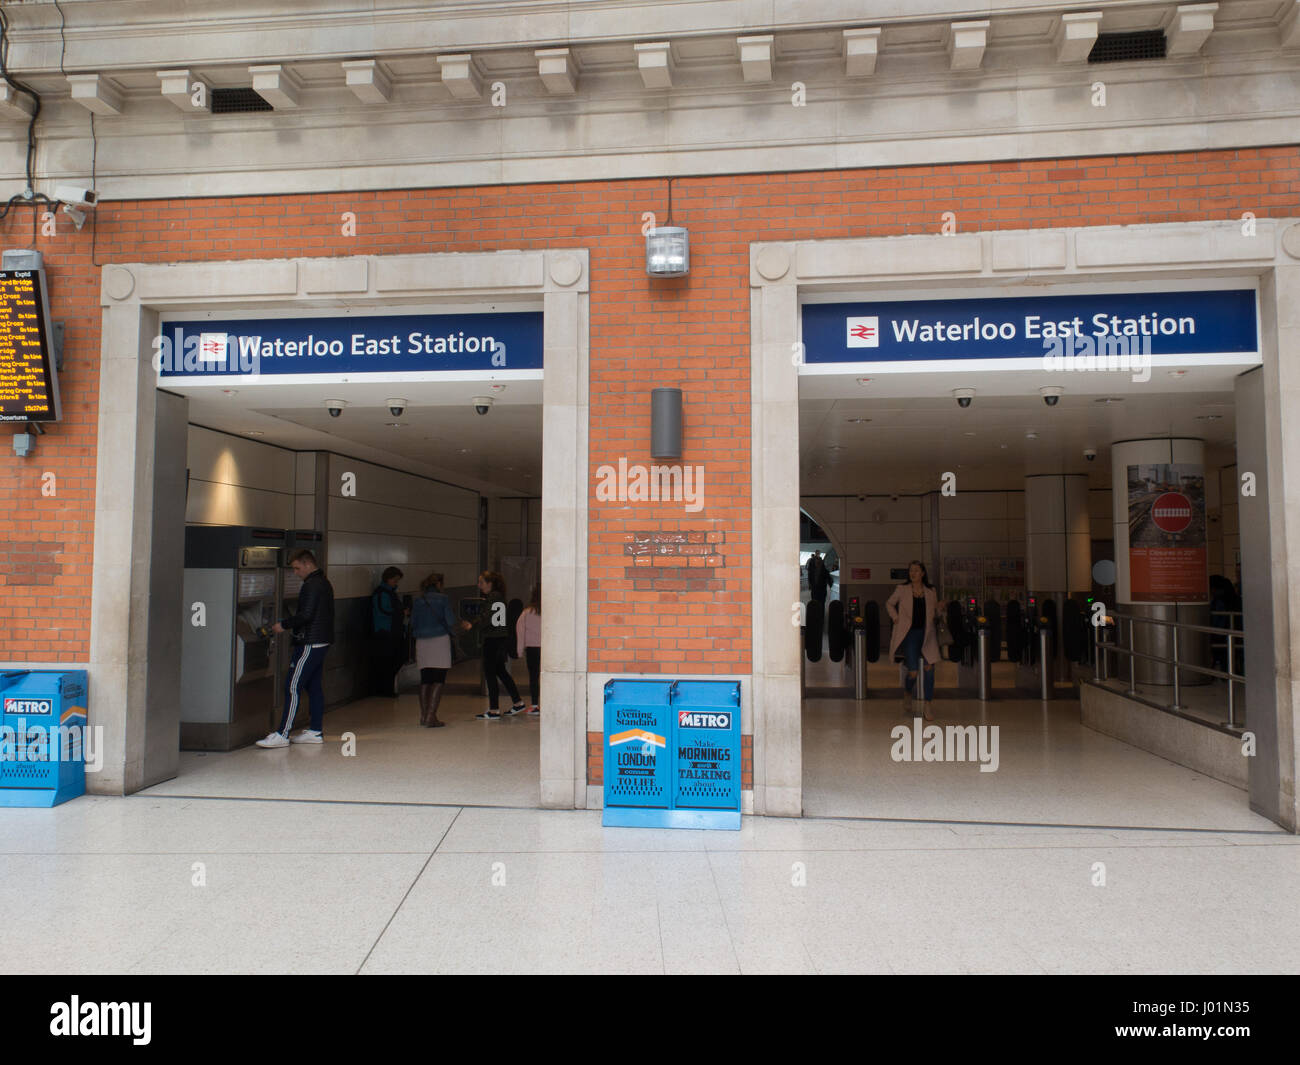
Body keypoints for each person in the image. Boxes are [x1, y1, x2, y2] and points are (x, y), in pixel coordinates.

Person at [257, 548, 335, 747]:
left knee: (292, 686)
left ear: (308, 564)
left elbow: (306, 615)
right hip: (322, 640)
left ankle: (282, 733)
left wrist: (283, 625)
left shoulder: (311, 585)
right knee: (314, 686)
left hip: (310, 642)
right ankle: (315, 731)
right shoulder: (324, 582)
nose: (296, 573)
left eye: (297, 568)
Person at [410, 572, 471, 727]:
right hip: (439, 640)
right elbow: (450, 620)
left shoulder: (418, 600)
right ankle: (431, 716)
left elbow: (412, 622)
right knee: (439, 678)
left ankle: (423, 716)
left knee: (425, 679)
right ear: (439, 584)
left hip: (422, 641)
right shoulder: (443, 599)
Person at [886, 560, 941, 722]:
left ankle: (928, 705)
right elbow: (889, 604)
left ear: (923, 573)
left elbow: (935, 613)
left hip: (927, 634)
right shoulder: (902, 589)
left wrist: (940, 608)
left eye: (916, 571)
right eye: (911, 571)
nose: (913, 573)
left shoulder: (931, 591)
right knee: (913, 672)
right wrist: (895, 618)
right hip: (909, 635)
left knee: (929, 669)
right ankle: (908, 692)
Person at [474, 570, 527, 720]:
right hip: (499, 639)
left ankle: (494, 709)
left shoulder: (493, 598)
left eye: (482, 582)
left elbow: (489, 620)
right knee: (501, 672)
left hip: (493, 640)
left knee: (490, 673)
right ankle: (517, 702)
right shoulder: (499, 597)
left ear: (490, 584)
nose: (479, 585)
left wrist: (474, 625)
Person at [369, 566, 406, 697]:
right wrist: (401, 612)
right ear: (388, 579)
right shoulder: (382, 593)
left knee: (393, 660)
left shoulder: (389, 593)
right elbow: (384, 610)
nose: (396, 583)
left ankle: (386, 689)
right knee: (388, 661)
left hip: (392, 631)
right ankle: (385, 689)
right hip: (385, 632)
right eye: (395, 580)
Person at [515, 582, 542, 715]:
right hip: (547, 649)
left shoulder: (527, 612)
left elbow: (520, 632)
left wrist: (519, 651)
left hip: (532, 649)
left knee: (533, 677)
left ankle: (535, 705)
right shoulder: (552, 612)